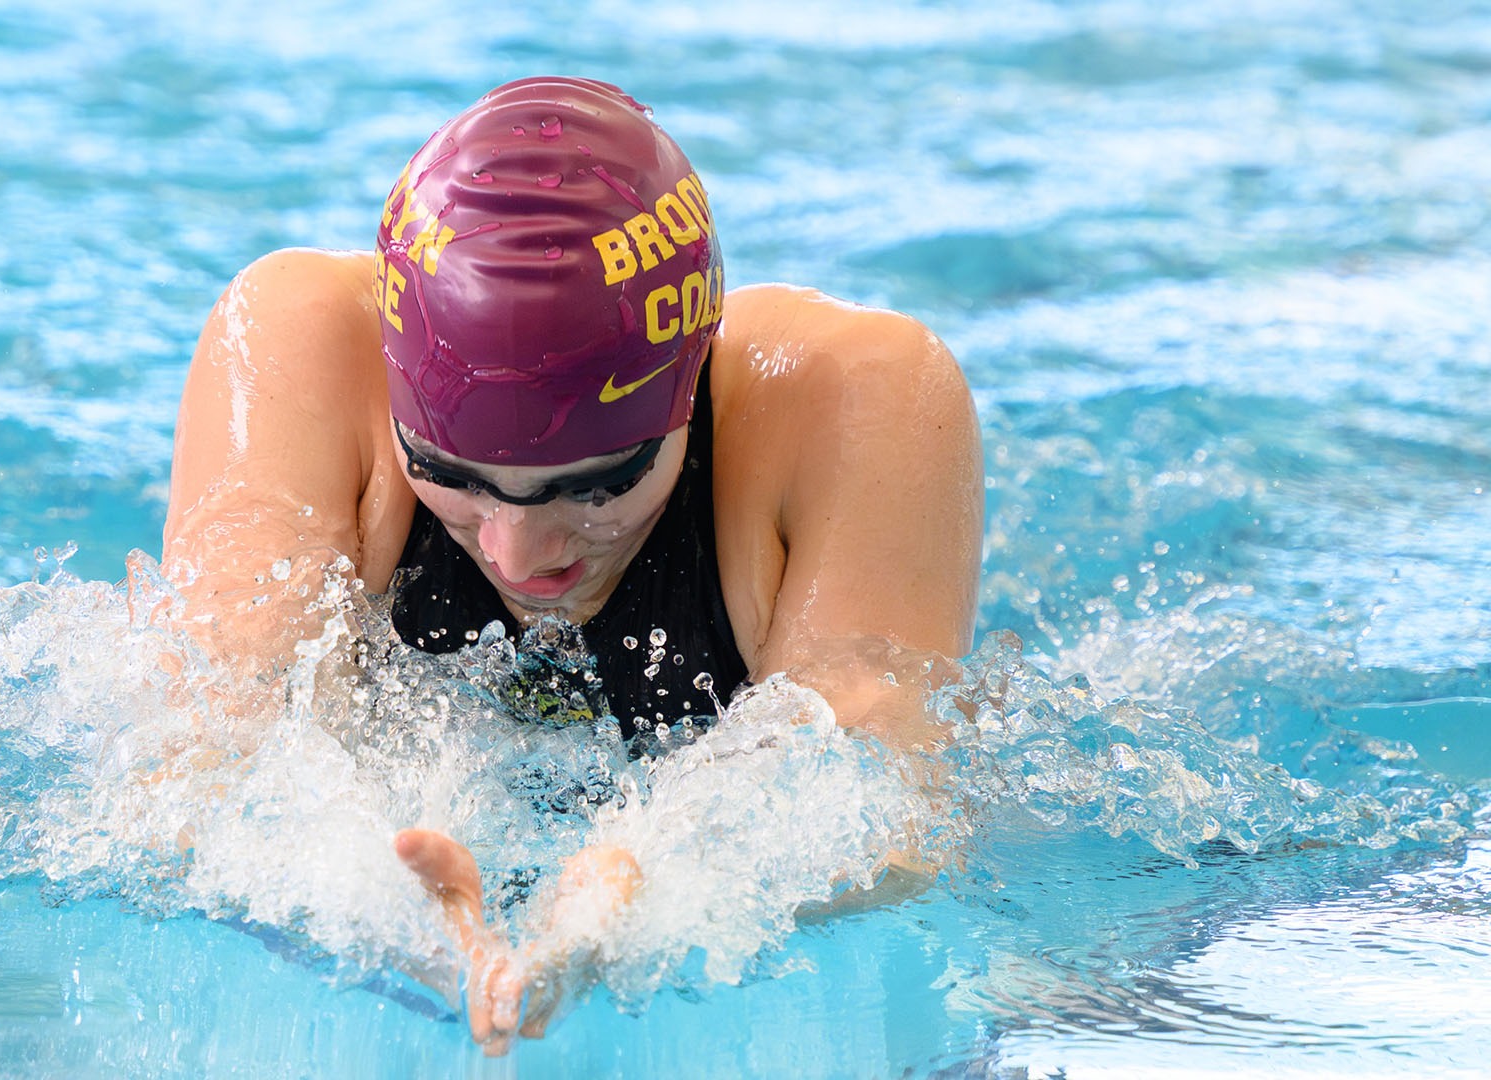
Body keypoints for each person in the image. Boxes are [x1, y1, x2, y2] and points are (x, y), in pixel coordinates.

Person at [159, 76, 982, 1052]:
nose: (519, 552)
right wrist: (384, 919)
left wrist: (650, 891)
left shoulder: (853, 399)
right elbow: (204, 761)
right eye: (449, 475)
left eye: (597, 486)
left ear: (690, 384)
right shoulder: (299, 347)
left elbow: (885, 808)